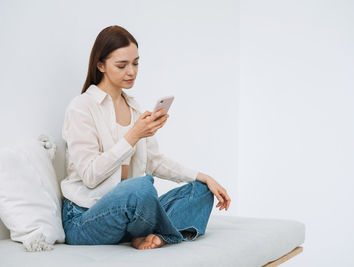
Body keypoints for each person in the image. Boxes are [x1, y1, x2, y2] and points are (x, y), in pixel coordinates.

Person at [60, 25, 231, 250]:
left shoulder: (134, 109)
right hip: (85, 218)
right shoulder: (82, 107)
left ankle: (156, 236)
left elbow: (155, 162)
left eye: (136, 63)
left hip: (128, 214)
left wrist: (203, 177)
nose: (131, 71)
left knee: (200, 190)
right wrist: (133, 136)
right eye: (121, 65)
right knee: (141, 188)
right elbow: (91, 175)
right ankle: (161, 231)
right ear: (100, 65)